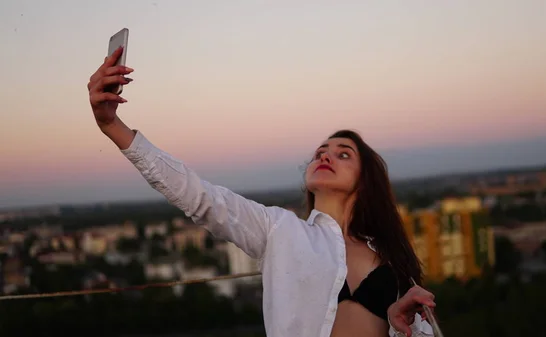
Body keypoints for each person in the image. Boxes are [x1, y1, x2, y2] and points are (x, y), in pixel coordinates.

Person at [87, 46, 437, 337]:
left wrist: (396, 323)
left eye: (343, 153)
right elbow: (200, 196)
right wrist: (112, 125)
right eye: (320, 152)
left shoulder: (391, 256)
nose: (326, 154)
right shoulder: (279, 230)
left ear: (366, 180)